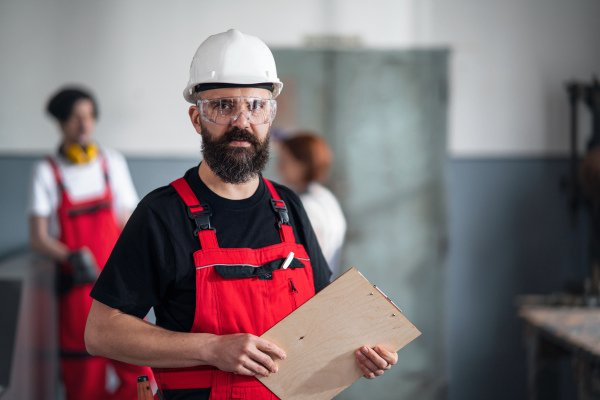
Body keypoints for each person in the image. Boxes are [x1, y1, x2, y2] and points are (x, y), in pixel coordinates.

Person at [85, 29, 398, 400]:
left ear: (271, 115)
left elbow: (323, 313)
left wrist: (363, 345)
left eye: (255, 105)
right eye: (222, 106)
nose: (241, 121)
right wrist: (210, 349)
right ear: (196, 119)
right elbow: (100, 333)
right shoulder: (161, 214)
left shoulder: (289, 207)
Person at [28, 87, 152, 400]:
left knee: (140, 371)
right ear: (60, 122)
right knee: (85, 377)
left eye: (89, 116)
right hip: (77, 291)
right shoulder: (47, 171)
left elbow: (128, 221)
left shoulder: (111, 163)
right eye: (75, 118)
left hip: (119, 285)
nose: (84, 124)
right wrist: (71, 255)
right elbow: (38, 238)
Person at [277, 132, 347, 279]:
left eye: (284, 162)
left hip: (311, 290)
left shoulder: (306, 205)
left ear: (303, 165)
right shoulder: (326, 197)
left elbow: (306, 258)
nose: (279, 169)